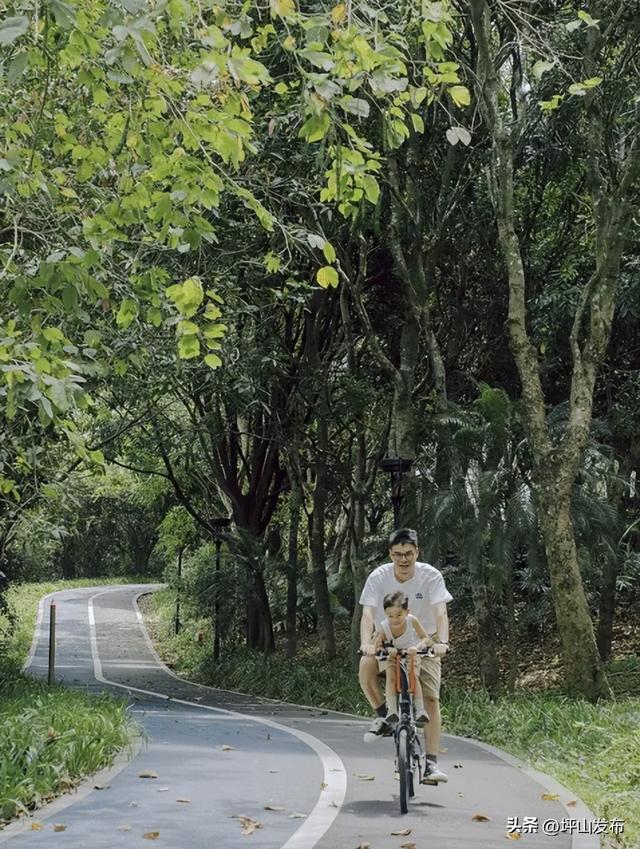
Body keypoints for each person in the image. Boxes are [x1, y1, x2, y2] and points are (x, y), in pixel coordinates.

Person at [359, 528, 452, 784]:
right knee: (366, 670)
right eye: (398, 554)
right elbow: (368, 615)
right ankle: (384, 716)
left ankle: (431, 764)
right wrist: (367, 643)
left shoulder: (430, 576)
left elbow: (441, 612)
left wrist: (442, 642)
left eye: (408, 554)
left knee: (431, 699)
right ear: (390, 554)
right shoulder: (378, 577)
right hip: (387, 638)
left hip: (424, 641)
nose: (403, 560)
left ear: (417, 553)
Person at [373, 590, 431, 727]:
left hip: (411, 654)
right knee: (391, 676)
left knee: (414, 677)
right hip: (393, 656)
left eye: (399, 615)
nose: (395, 619)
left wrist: (418, 647)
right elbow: (378, 645)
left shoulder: (412, 621)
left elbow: (426, 638)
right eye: (390, 616)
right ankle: (392, 711)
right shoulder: (384, 626)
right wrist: (387, 649)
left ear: (407, 611)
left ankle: (420, 710)